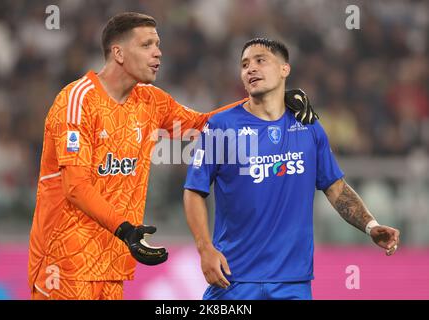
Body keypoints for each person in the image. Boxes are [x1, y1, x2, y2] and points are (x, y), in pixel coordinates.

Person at [28, 13, 316, 300]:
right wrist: (126, 230)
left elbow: (204, 124)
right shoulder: (77, 100)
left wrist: (270, 96)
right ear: (118, 53)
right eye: (147, 45)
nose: (158, 52)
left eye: (158, 44)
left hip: (111, 264)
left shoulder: (150, 100)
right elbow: (75, 186)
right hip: (64, 260)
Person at [183, 38, 400, 300]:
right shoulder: (221, 126)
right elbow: (194, 190)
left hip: (293, 282)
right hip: (233, 279)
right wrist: (204, 248)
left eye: (260, 60)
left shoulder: (308, 126)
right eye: (244, 64)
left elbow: (335, 187)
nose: (250, 68)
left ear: (285, 69)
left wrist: (370, 225)